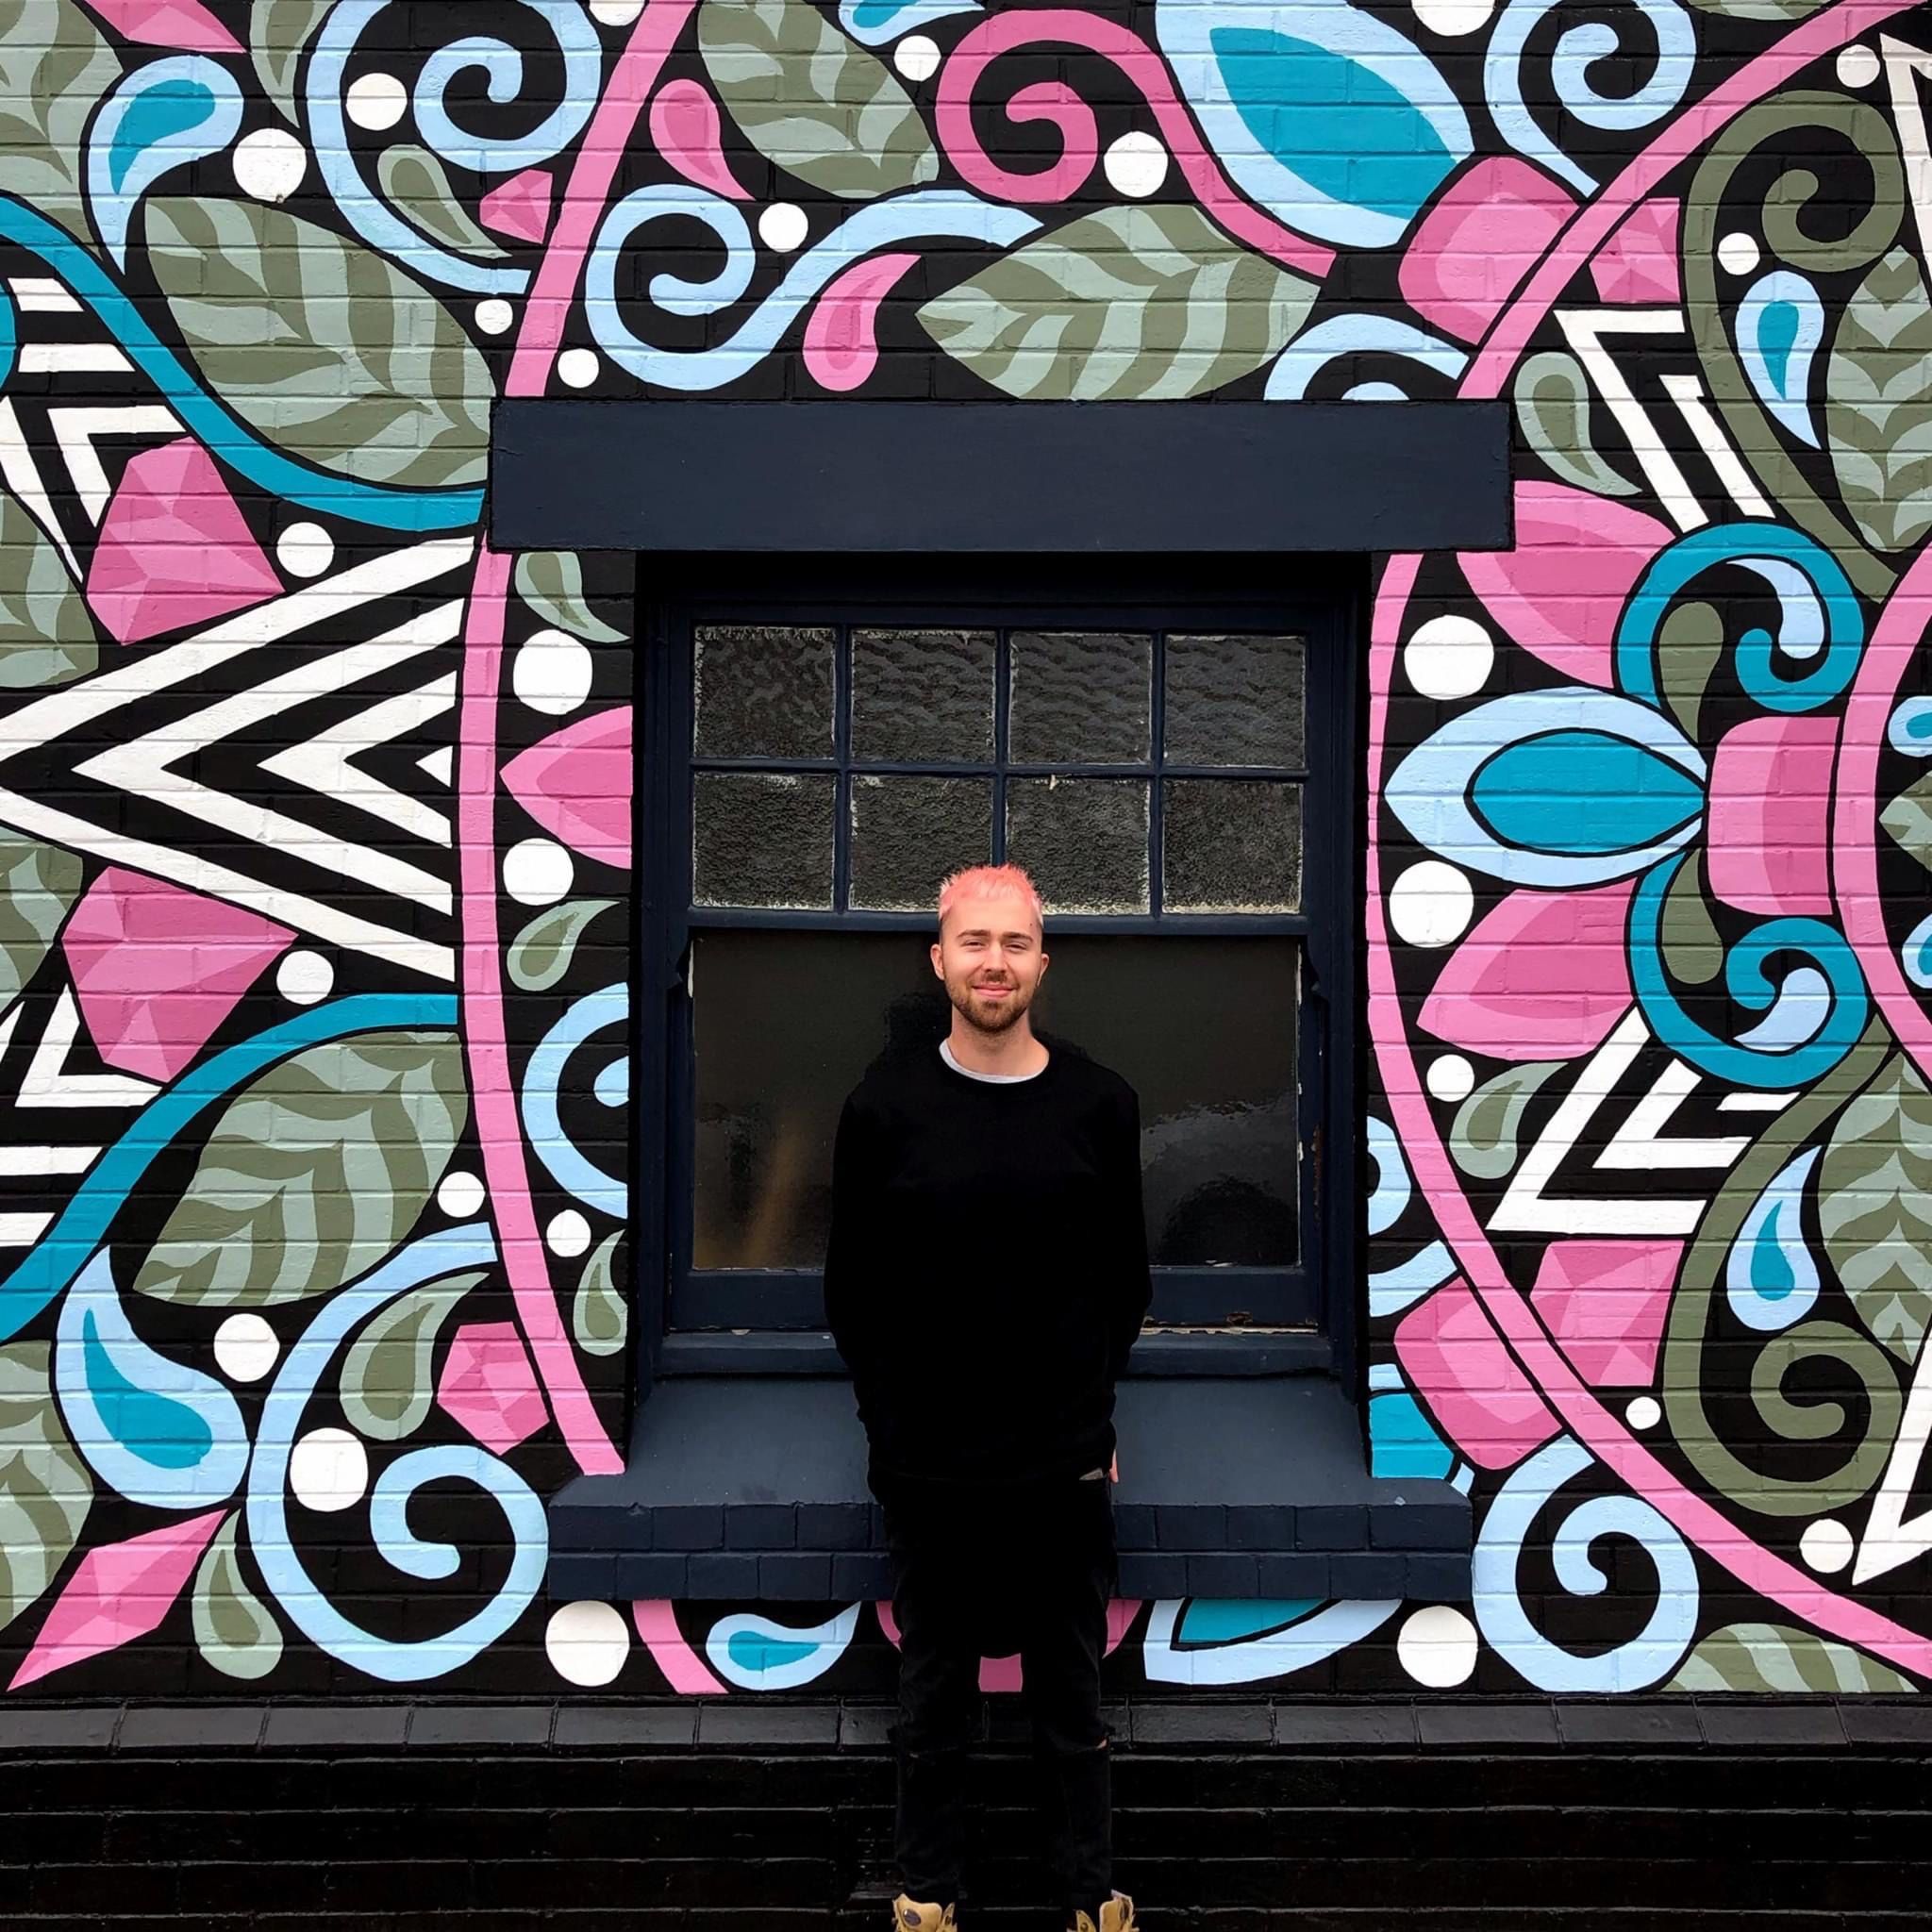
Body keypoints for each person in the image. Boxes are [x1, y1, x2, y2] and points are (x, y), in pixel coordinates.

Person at [824, 862, 1152, 1932]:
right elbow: (852, 1290)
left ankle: (1087, 1896)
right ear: (938, 959)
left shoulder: (1096, 1104)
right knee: (934, 1701)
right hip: (929, 1465)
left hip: (1059, 1460)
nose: (994, 962)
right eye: (973, 941)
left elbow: (1124, 1281)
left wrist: (1092, 1418)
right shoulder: (883, 1107)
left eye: (1014, 942)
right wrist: (889, 1425)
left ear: (1042, 961)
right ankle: (927, 1896)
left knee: (1070, 1697)